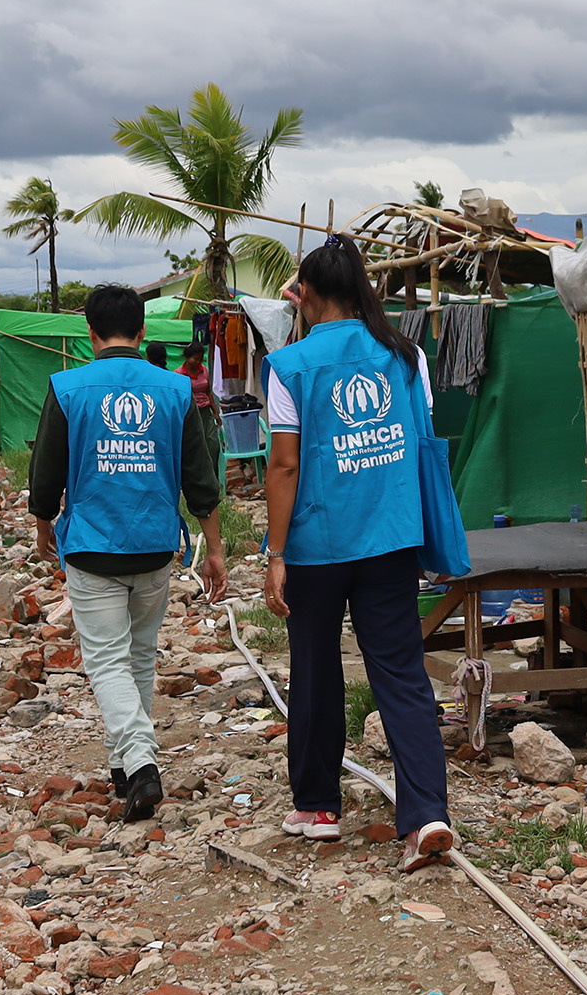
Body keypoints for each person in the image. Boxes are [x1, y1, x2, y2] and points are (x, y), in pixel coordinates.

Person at [262, 235, 454, 869]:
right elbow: (418, 439)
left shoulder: (289, 365)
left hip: (317, 545)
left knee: (314, 669)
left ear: (307, 294)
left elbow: (285, 466)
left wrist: (276, 554)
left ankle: (318, 806)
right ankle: (425, 815)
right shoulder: (405, 357)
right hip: (390, 537)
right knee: (400, 673)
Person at [30, 285, 226, 822]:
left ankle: (140, 765)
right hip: (157, 547)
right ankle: (123, 768)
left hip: (93, 547)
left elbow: (45, 471)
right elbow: (199, 477)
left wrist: (44, 521)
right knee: (138, 655)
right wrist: (215, 548)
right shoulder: (175, 390)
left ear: (90, 333)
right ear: (142, 332)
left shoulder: (67, 387)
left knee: (108, 662)